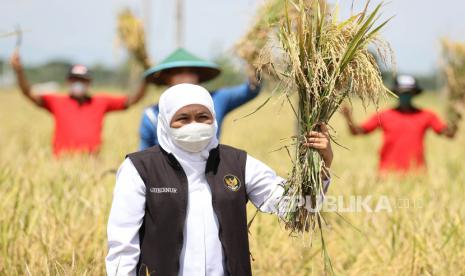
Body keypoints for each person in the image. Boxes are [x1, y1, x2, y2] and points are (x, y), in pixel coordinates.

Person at [106, 84, 333, 276]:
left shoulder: (238, 163)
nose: (194, 125)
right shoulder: (140, 169)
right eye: (182, 118)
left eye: (202, 116)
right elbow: (123, 245)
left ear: (213, 119)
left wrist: (320, 166)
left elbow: (294, 208)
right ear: (165, 123)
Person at [10, 50, 148, 156]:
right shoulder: (56, 102)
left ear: (89, 83)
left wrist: (146, 79)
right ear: (68, 82)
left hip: (92, 164)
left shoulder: (100, 102)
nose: (78, 84)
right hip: (61, 164)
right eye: (75, 80)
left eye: (82, 80)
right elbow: (28, 93)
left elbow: (131, 100)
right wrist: (19, 71)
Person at [139, 48, 261, 150]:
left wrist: (257, 62)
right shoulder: (152, 115)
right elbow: (143, 157)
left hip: (210, 171)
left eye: (191, 72)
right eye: (179, 72)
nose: (186, 76)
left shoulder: (216, 100)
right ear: (167, 78)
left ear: (199, 76)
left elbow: (250, 90)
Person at [341, 74, 456, 173]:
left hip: (417, 175)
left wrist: (456, 117)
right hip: (387, 174)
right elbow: (357, 131)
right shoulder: (384, 115)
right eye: (402, 92)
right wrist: (348, 117)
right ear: (396, 93)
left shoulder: (427, 115)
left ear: (414, 94)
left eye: (408, 92)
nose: (405, 95)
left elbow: (448, 133)